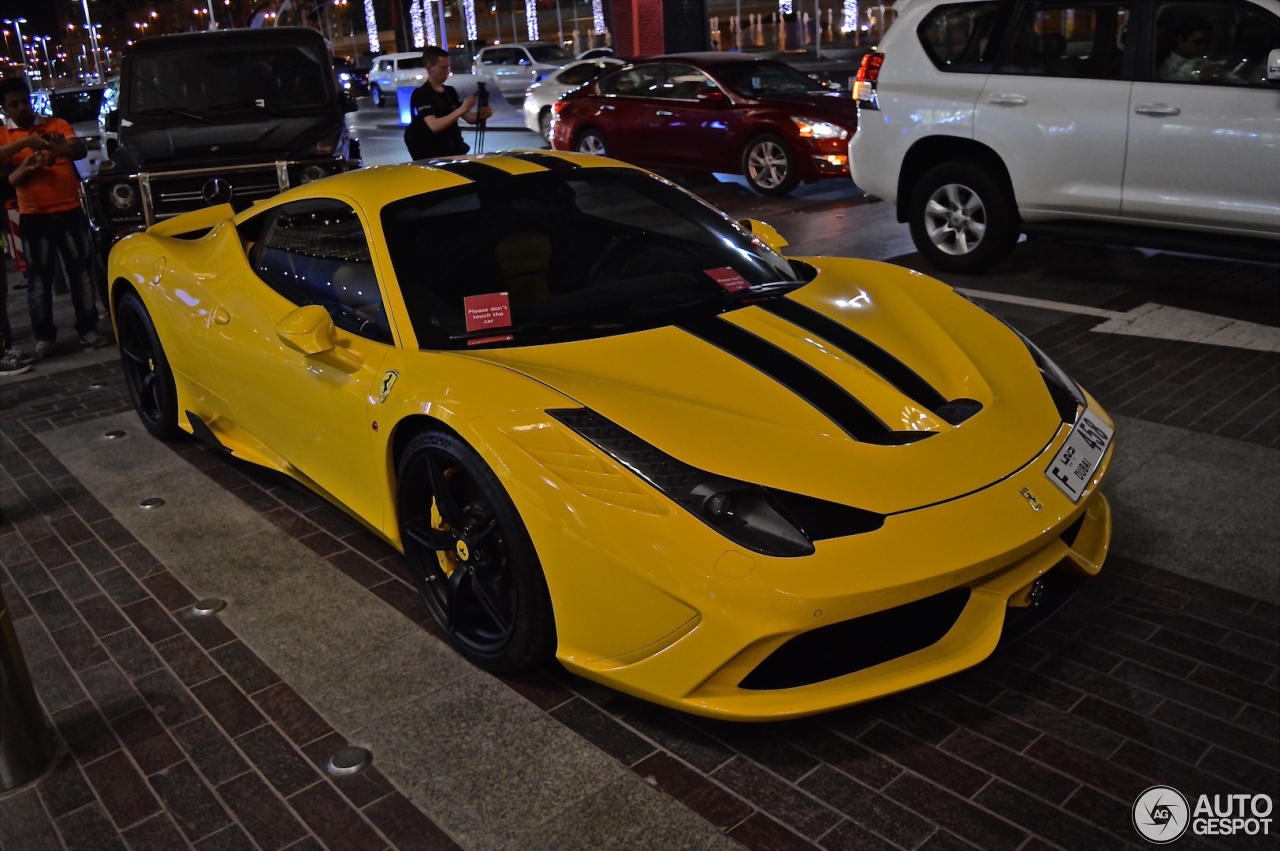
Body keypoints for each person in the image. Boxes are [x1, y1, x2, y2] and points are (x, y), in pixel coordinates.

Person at [0, 77, 109, 359]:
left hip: (69, 211)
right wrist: (27, 146)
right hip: (34, 217)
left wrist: (61, 150)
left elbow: (77, 148)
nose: (21, 108)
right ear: (5, 108)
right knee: (39, 280)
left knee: (81, 274)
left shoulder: (55, 125)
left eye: (24, 101)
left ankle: (88, 328)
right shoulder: (4, 135)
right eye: (14, 104)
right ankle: (44, 337)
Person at [404, 46, 493, 161]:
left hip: (455, 151)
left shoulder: (450, 91)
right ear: (429, 68)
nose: (447, 72)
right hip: (432, 155)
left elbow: (469, 118)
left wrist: (481, 114)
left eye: (448, 67)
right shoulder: (421, 94)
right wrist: (462, 109)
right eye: (443, 68)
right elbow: (434, 125)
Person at [1159, 16, 1242, 83]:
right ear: (1180, 42)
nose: (1203, 48)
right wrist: (1202, 78)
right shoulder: (1169, 69)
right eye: (1197, 42)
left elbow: (1234, 79)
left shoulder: (1203, 62)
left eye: (1206, 42)